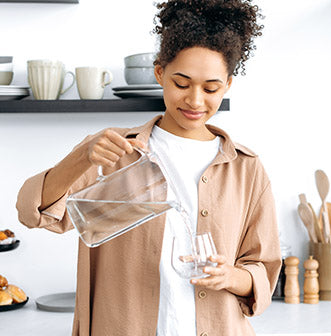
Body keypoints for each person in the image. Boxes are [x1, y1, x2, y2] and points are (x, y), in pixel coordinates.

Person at [16, 0, 282, 335]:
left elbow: (263, 268)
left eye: (211, 88)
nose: (195, 101)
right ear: (160, 73)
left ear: (227, 85)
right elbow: (33, 212)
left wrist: (231, 276)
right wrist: (81, 156)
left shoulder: (246, 168)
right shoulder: (114, 151)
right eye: (181, 84)